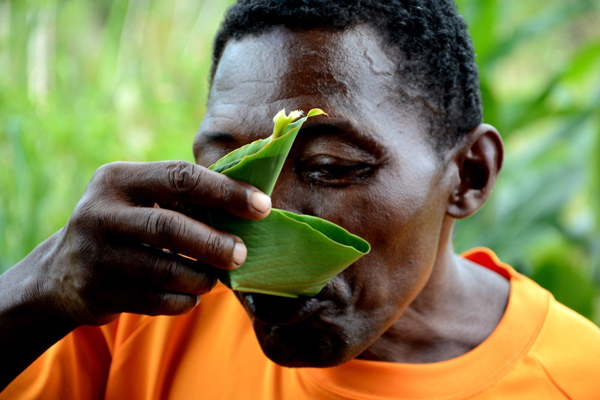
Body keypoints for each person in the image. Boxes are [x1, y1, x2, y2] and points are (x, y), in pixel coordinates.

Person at [1, 0, 599, 398]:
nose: (258, 215)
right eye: (232, 165)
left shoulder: (577, 377)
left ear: (468, 175)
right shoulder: (137, 314)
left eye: (331, 168)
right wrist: (39, 289)